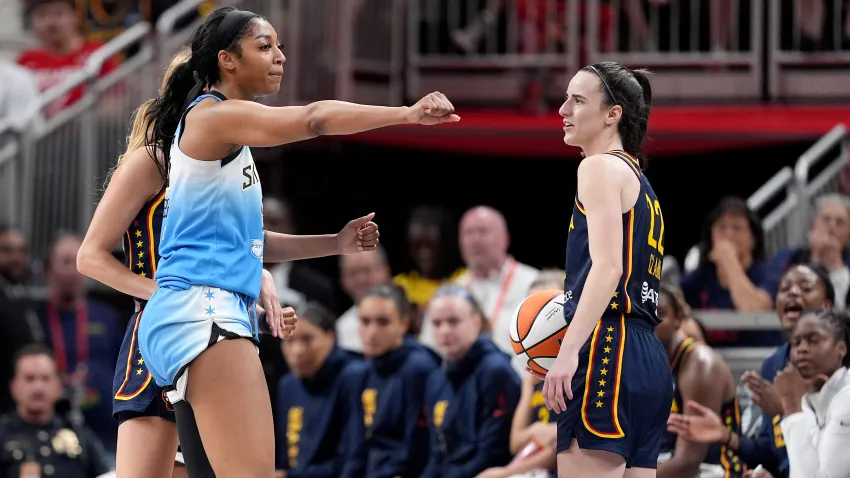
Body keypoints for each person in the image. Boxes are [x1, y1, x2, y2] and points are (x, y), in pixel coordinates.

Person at [134, 6, 459, 477]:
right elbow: (314, 119)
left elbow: (249, 242)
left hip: (180, 321)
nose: (280, 57)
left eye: (280, 46)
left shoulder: (219, 132)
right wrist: (405, 113)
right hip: (206, 314)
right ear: (227, 60)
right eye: (265, 47)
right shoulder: (213, 118)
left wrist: (336, 243)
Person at [76, 48, 294, 478]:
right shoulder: (154, 160)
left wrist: (260, 276)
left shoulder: (225, 167)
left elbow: (237, 244)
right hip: (162, 329)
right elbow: (90, 257)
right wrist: (173, 294)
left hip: (214, 329)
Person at [532, 61, 672, 478]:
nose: (562, 110)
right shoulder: (641, 184)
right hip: (647, 358)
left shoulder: (597, 167)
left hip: (607, 349)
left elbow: (608, 268)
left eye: (577, 101)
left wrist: (568, 352)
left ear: (613, 114)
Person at [666, 262, 836, 478]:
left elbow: (835, 456)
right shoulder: (773, 364)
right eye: (784, 289)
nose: (792, 292)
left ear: (827, 306)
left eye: (805, 288)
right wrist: (726, 436)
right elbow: (771, 450)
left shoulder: (839, 366)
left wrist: (787, 410)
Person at [654, 285, 744, 477]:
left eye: (659, 313)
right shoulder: (637, 362)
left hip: (712, 470)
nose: (650, 321)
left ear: (678, 319)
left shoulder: (701, 365)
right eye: (642, 313)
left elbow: (687, 464)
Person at [775, 310, 850, 478]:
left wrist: (791, 407)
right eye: (796, 342)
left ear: (841, 348)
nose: (802, 349)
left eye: (813, 340)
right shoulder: (809, 400)